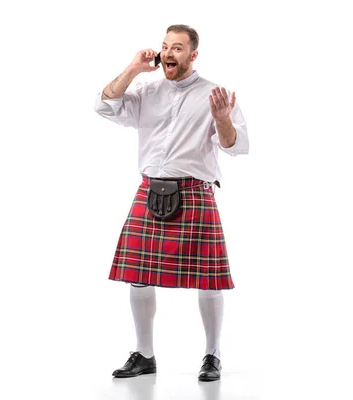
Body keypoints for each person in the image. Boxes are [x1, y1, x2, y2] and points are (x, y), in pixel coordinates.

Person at [93, 24, 249, 382]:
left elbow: (236, 146)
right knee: (138, 277)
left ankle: (213, 355)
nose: (168, 54)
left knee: (209, 281)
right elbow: (104, 105)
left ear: (193, 55)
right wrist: (133, 69)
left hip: (194, 192)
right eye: (165, 46)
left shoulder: (215, 94)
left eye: (177, 48)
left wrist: (223, 119)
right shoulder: (146, 90)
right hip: (149, 191)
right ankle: (144, 355)